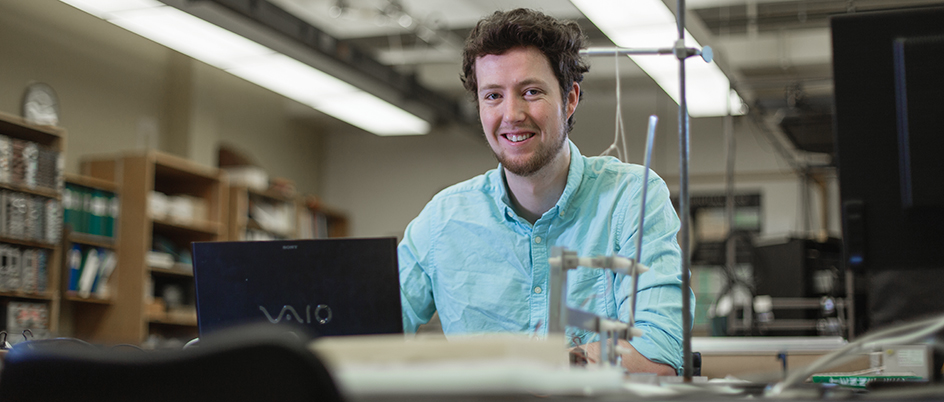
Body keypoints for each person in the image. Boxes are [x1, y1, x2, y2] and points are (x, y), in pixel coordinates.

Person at [398, 8, 692, 375]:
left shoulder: (632, 198)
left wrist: (510, 371)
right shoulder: (442, 219)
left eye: (531, 91)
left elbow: (659, 354)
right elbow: (363, 339)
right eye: (493, 96)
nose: (512, 113)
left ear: (569, 100)